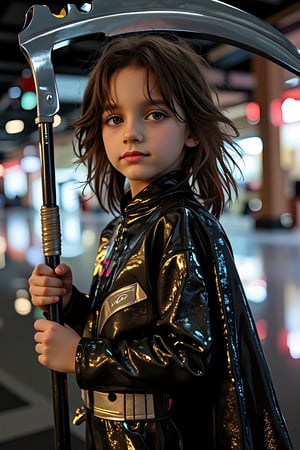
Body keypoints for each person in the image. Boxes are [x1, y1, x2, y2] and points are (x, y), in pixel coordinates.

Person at [28, 34, 293, 450]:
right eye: (115, 118)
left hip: (157, 437)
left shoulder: (179, 223)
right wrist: (72, 303)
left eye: (154, 114)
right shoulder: (118, 230)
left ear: (191, 131)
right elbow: (125, 327)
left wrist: (82, 357)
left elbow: (188, 356)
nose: (131, 133)